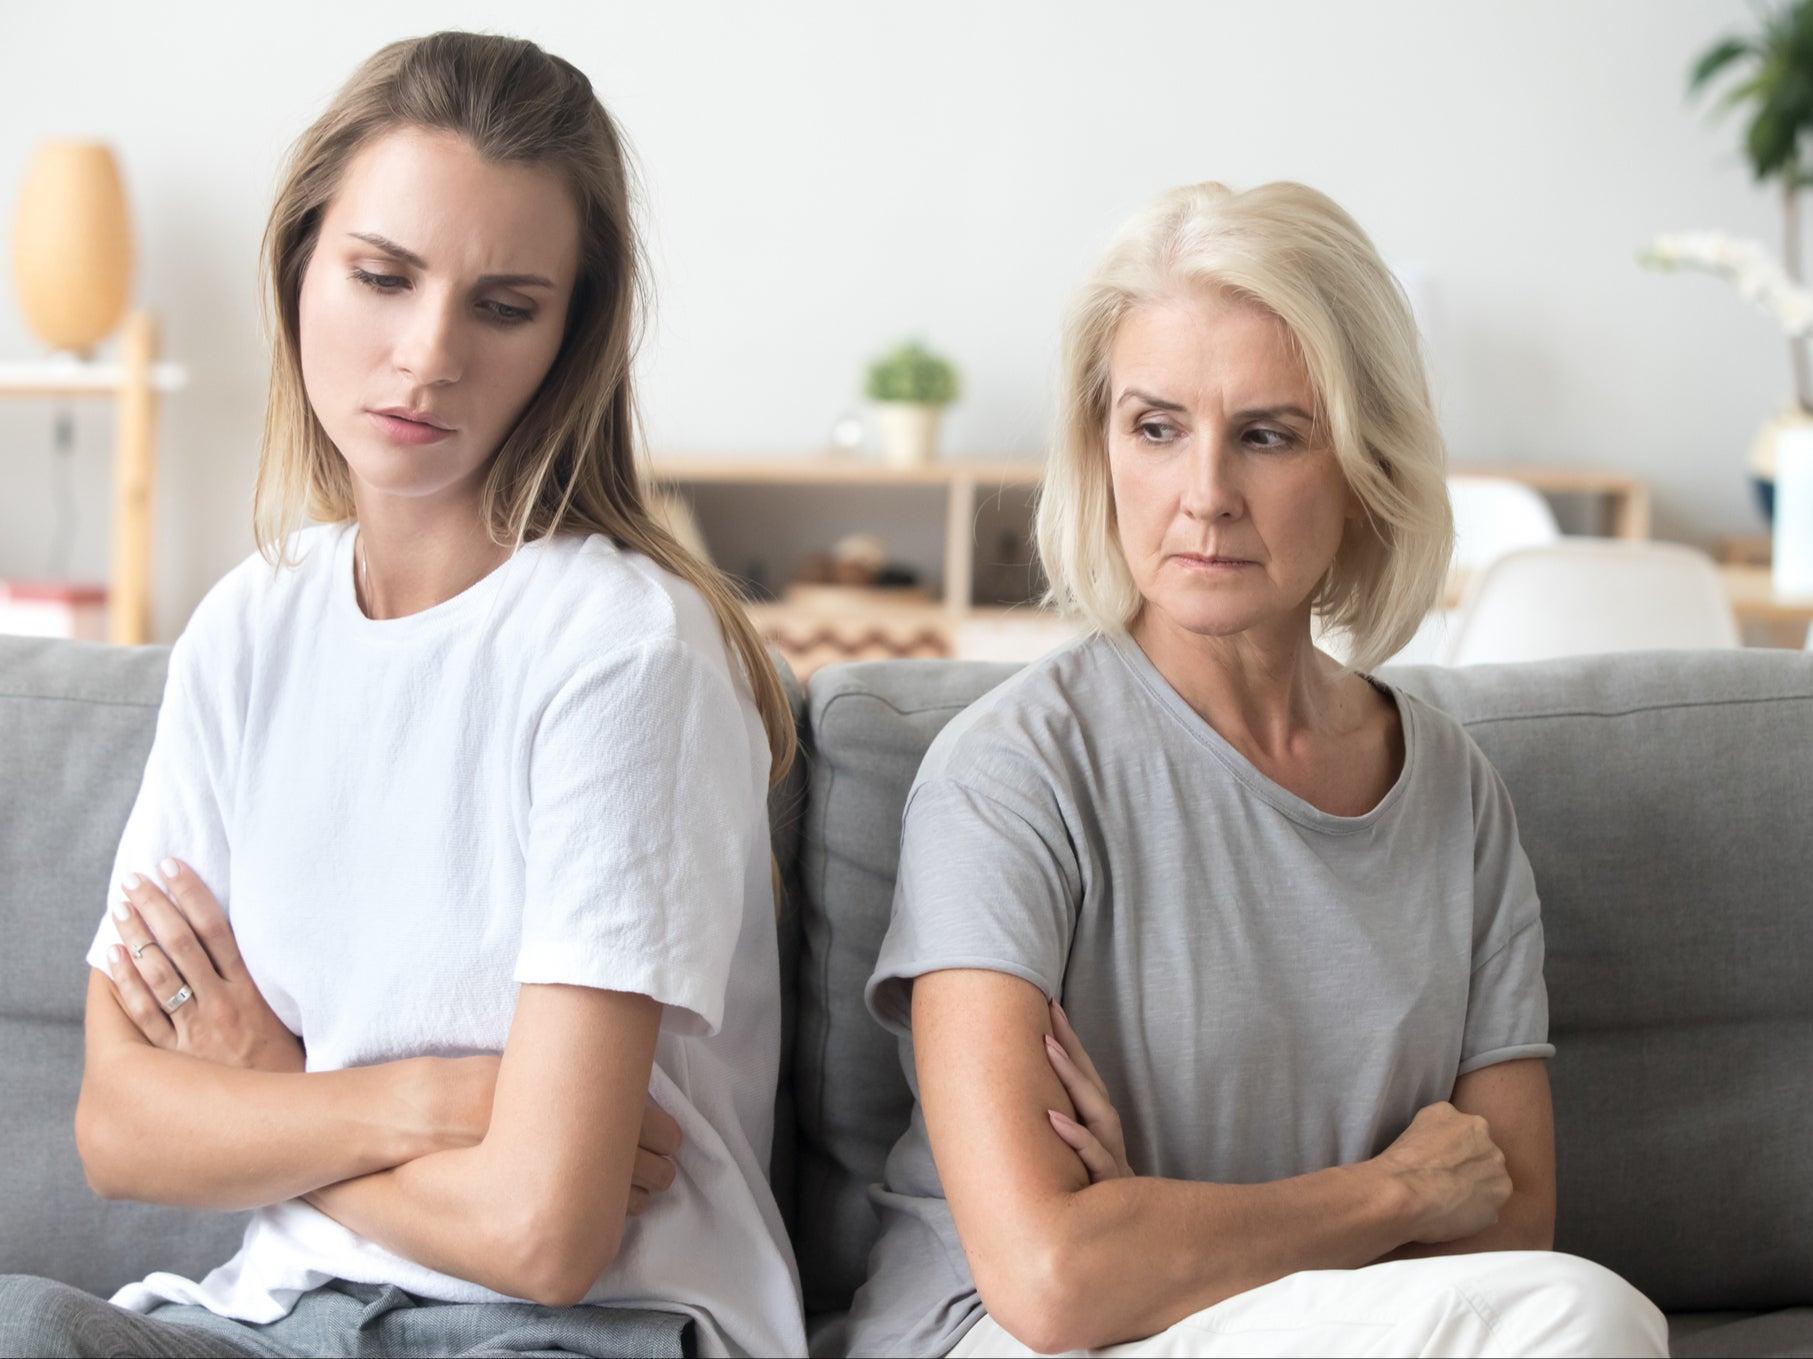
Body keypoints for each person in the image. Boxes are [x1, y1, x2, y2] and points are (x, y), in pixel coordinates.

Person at [0, 32, 805, 1359]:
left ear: (569, 335)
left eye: (504, 304)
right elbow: (120, 1124)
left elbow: (549, 1232)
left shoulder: (621, 650)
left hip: (579, 1325)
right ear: (301, 261)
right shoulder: (250, 625)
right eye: (382, 275)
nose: (426, 353)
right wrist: (427, 1098)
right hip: (279, 1312)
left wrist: (266, 1098)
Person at [844, 181, 1668, 1358]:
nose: (1205, 496)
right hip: (1012, 1341)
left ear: (1359, 461)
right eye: (1156, 427)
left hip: (1301, 1325)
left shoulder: (1451, 794)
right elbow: (1053, 1278)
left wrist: (1163, 1226)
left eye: (1268, 434)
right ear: (1101, 447)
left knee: (1579, 1314)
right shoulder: (1009, 777)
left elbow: (1506, 1229)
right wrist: (1393, 1192)